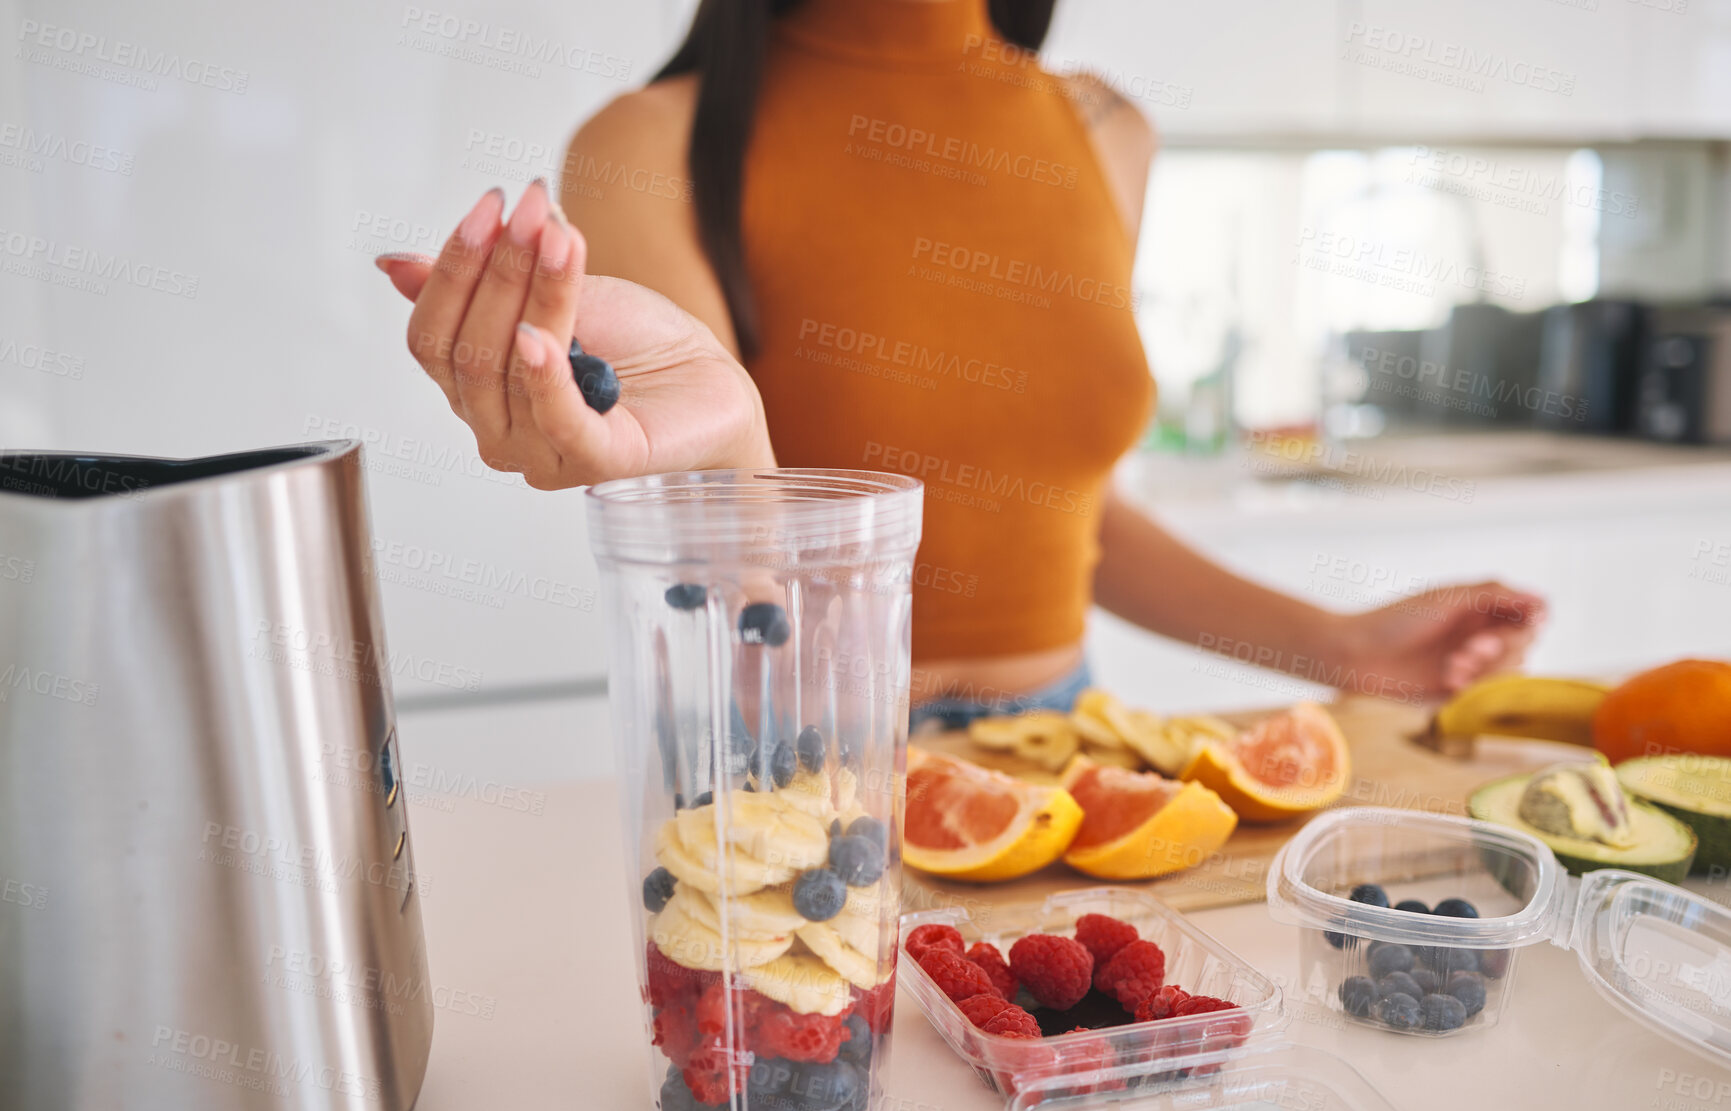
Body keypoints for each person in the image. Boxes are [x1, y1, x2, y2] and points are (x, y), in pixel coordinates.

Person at [375, 0, 1546, 726]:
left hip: (1068, 739)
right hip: (802, 738)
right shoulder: (652, 140)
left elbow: (1057, 519)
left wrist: (1333, 643)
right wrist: (728, 442)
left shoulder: (1100, 131)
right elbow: (728, 586)